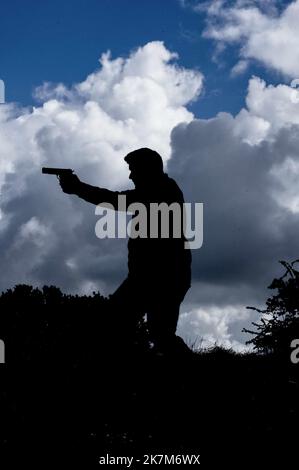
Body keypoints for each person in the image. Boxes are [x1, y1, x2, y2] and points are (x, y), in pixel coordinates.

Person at [58, 148, 192, 353]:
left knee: (152, 333)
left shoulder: (160, 190)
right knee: (132, 329)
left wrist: (77, 188)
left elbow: (115, 200)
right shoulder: (162, 189)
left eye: (134, 170)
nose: (130, 175)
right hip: (153, 276)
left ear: (147, 169)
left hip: (160, 276)